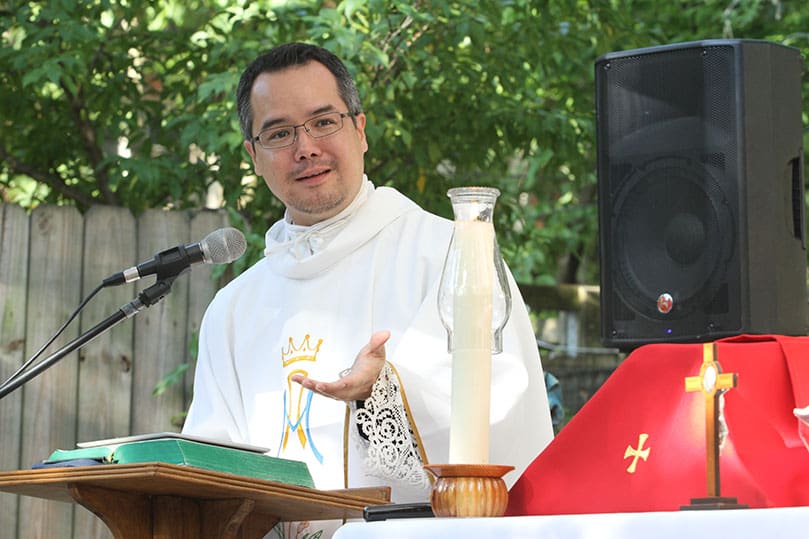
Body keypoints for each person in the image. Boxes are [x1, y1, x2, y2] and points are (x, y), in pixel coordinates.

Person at [182, 42, 554, 537]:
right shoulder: (233, 308)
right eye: (279, 133)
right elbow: (210, 470)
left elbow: (504, 420)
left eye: (323, 121)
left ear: (360, 130)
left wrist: (380, 397)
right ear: (253, 155)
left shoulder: (454, 256)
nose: (306, 147)